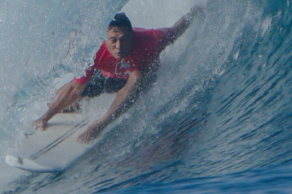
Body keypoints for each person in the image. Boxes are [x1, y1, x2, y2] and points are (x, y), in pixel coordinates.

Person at [34, 7, 203, 143]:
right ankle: (69, 108)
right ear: (105, 39)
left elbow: (176, 30)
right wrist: (46, 116)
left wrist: (195, 11)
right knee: (58, 102)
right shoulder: (93, 51)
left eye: (124, 39)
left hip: (140, 77)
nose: (119, 46)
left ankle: (103, 121)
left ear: (133, 36)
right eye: (113, 40)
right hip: (110, 76)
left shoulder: (150, 41)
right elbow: (74, 89)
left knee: (137, 79)